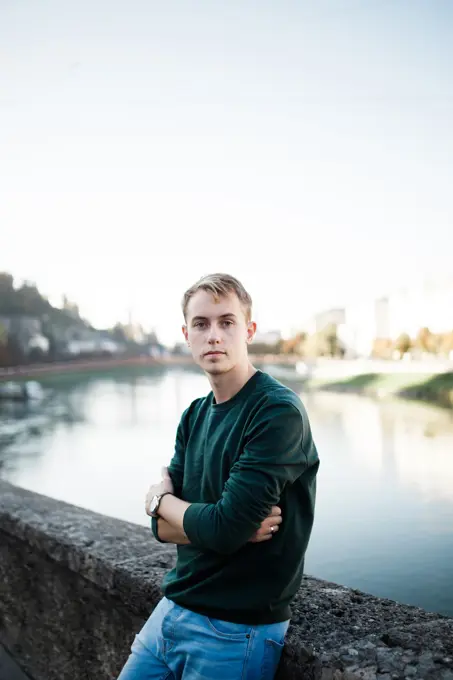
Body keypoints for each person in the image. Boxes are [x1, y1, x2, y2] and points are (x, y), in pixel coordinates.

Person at [118, 273, 319, 680]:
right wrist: (222, 528)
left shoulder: (276, 412)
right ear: (186, 335)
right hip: (171, 611)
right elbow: (162, 530)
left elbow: (213, 526)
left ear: (249, 330)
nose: (214, 335)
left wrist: (160, 501)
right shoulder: (194, 415)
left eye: (227, 322)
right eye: (201, 324)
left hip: (235, 630)